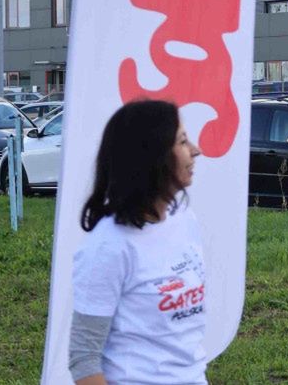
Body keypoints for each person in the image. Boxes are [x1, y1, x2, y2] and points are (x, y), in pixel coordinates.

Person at [69, 100, 206, 385]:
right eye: (182, 142)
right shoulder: (109, 246)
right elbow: (84, 357)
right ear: (154, 157)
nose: (196, 150)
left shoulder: (184, 220)